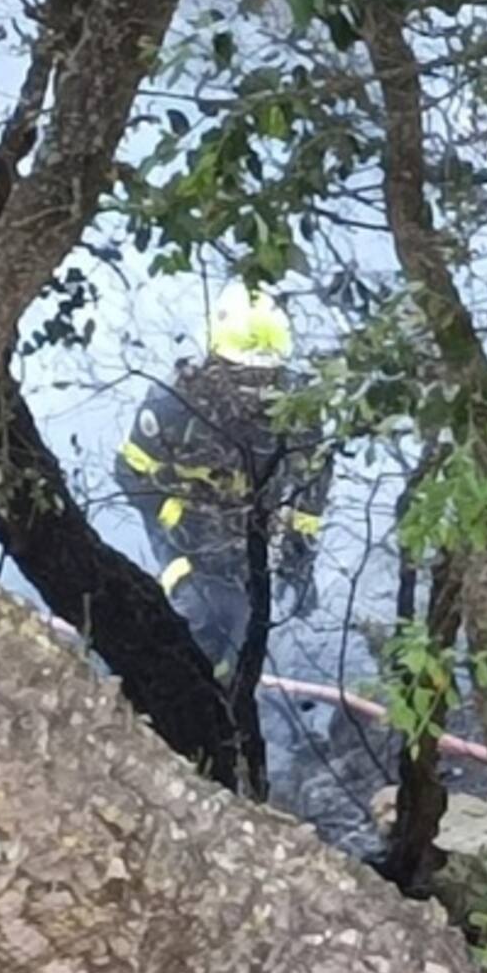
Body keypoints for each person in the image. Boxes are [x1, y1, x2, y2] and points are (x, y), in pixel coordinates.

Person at [115, 283, 331, 681]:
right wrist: (174, 515)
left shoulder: (298, 408)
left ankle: (230, 698)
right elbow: (130, 471)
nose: (257, 385)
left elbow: (313, 481)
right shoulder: (174, 404)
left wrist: (298, 555)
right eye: (244, 373)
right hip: (184, 533)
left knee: (256, 630)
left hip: (252, 534)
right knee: (199, 617)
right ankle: (165, 693)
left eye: (266, 374)